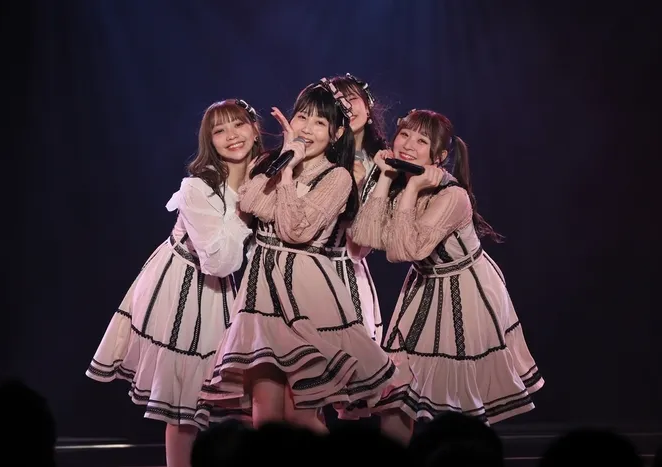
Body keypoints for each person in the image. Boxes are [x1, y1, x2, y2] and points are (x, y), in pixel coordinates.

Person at [198, 78, 396, 434]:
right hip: (262, 292)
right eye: (302, 117)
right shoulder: (268, 161)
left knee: (302, 414)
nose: (306, 128)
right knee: (265, 408)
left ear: (336, 134)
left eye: (320, 122)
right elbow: (250, 201)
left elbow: (296, 231)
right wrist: (284, 165)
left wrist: (286, 175)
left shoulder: (337, 178)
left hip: (306, 291)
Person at [350, 109, 544, 445]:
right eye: (405, 135)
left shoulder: (453, 196)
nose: (408, 145)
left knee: (463, 402)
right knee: (396, 396)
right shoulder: (399, 183)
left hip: (466, 290)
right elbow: (364, 240)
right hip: (424, 285)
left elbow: (406, 251)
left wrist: (411, 188)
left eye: (421, 141)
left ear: (438, 157)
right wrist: (384, 178)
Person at [86, 99, 262, 467]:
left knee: (247, 397)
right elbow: (218, 260)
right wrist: (245, 205)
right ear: (209, 141)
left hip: (231, 289)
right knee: (184, 405)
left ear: (254, 129)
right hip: (186, 285)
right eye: (220, 130)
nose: (232, 135)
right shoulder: (197, 188)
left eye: (238, 124)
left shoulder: (265, 181)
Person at [328, 73, 387, 342]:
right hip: (305, 269)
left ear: (368, 105)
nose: (347, 107)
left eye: (352, 99)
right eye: (338, 103)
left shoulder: (383, 165)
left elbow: (359, 249)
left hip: (348, 272)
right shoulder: (318, 156)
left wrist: (359, 189)